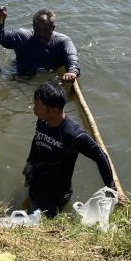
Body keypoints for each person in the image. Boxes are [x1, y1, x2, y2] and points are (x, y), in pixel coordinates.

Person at [22, 81, 115, 217]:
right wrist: (30, 162)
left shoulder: (75, 135)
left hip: (55, 194)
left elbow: (101, 157)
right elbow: (37, 141)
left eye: (37, 105)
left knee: (34, 222)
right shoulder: (42, 120)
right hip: (37, 182)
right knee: (28, 206)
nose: (33, 108)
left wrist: (110, 189)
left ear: (53, 110)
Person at [0, 7, 80, 82]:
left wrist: (72, 72)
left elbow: (72, 59)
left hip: (48, 78)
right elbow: (1, 39)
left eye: (46, 30)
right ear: (33, 27)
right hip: (20, 74)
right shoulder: (21, 37)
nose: (41, 34)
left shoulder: (63, 42)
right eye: (37, 29)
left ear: (53, 28)